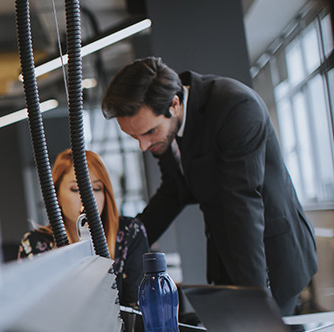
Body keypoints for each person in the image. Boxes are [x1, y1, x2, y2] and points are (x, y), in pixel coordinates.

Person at [101, 56, 317, 316]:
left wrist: (256, 300)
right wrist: (124, 240)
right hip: (226, 250)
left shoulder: (235, 106)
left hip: (268, 251)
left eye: (149, 133)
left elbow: (243, 205)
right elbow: (175, 190)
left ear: (175, 104)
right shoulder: (163, 128)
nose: (144, 146)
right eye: (134, 136)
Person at [18, 149, 149, 307]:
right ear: (56, 195)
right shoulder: (34, 244)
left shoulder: (130, 232)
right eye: (76, 189)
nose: (88, 198)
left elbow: (137, 307)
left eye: (96, 189)